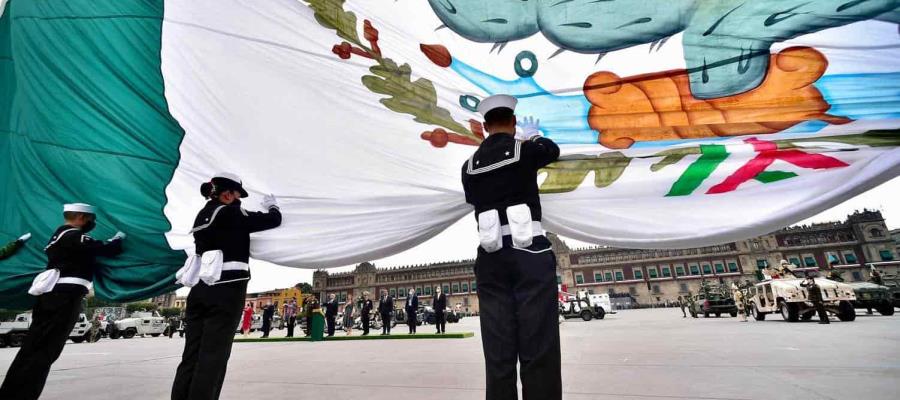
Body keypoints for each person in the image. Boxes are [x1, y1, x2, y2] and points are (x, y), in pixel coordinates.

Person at [460, 94, 562, 400]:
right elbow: (552, 151)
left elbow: (471, 197)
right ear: (514, 123)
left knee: (498, 349)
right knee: (538, 345)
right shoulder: (524, 150)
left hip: (490, 259)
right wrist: (534, 137)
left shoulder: (468, 166)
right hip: (528, 252)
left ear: (484, 126)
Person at [171, 173, 281, 400]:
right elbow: (271, 221)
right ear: (228, 194)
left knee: (191, 355)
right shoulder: (231, 212)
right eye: (238, 194)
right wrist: (273, 208)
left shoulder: (202, 215)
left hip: (200, 290)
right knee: (213, 356)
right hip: (227, 289)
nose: (239, 199)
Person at [0, 203, 124, 400]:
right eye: (91, 219)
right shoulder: (72, 235)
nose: (93, 223)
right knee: (44, 351)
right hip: (64, 297)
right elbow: (104, 249)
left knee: (35, 348)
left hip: (54, 296)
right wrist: (118, 239)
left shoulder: (58, 237)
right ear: (81, 217)